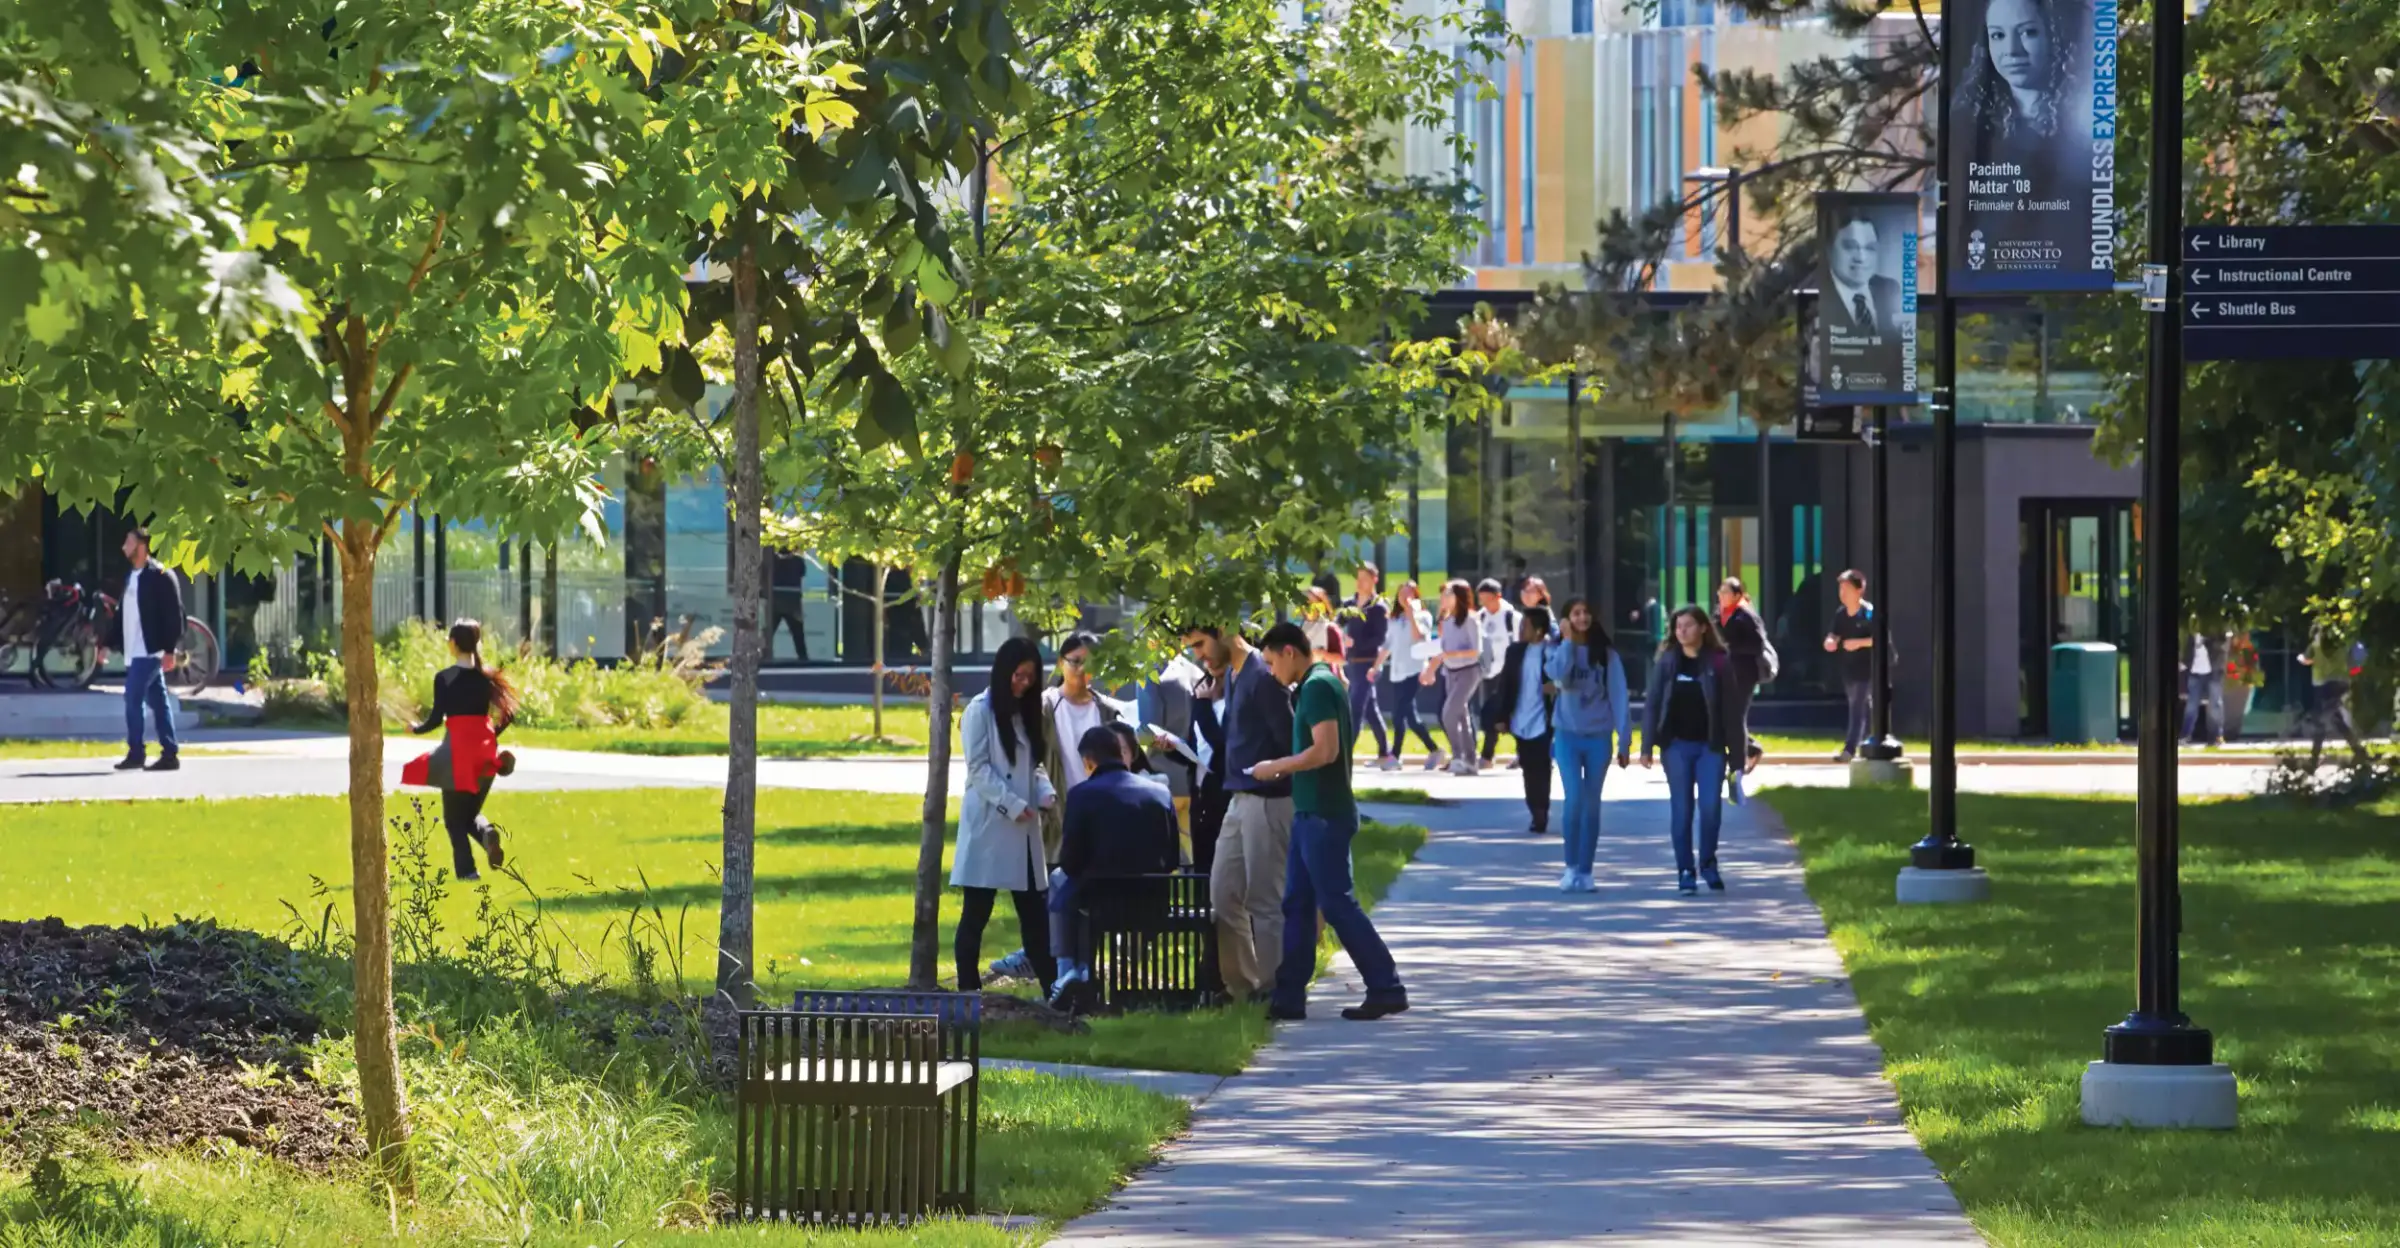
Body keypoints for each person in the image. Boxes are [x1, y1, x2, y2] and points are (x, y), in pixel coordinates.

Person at [1250, 622, 1408, 1022]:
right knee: (1298, 904)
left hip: (1324, 814)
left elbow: (1325, 751)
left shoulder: (1318, 686)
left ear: (1289, 652)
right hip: (1311, 813)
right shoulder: (1313, 684)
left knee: (1337, 905)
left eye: (1271, 662)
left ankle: (1386, 987)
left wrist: (1276, 767)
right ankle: (1288, 998)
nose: (1271, 672)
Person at [1183, 623, 1294, 1000]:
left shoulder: (1263, 676)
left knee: (1264, 899)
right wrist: (1202, 705)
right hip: (1237, 798)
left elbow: (1292, 740)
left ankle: (1278, 989)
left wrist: (1275, 773)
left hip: (1269, 799)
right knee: (1223, 895)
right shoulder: (1232, 674)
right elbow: (1226, 742)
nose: (1198, 654)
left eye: (1200, 644)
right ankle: (1246, 987)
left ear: (1225, 630)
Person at [1046, 725, 1181, 1013]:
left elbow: (1070, 861)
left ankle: (1069, 972)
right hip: (1153, 902)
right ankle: (1075, 972)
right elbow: (1172, 860)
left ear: (1088, 761)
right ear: (1121, 754)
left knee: (1060, 881)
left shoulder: (1082, 795)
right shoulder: (1159, 793)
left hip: (1101, 904)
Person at [953, 637, 1059, 995]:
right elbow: (978, 769)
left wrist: (1044, 792)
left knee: (1035, 917)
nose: (1023, 683)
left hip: (1025, 830)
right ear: (1003, 671)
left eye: (1030, 678)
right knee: (976, 914)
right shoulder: (979, 711)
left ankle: (1053, 990)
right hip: (990, 827)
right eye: (1018, 675)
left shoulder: (1028, 713)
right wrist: (1012, 804)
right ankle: (968, 994)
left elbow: (1034, 766)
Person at [402, 619, 518, 881]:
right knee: (468, 816)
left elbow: (434, 720)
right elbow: (508, 714)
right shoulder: (487, 677)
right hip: (486, 753)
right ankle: (487, 833)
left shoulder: (444, 678)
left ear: (454, 644)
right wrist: (490, 734)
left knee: (454, 820)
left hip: (458, 754)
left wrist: (414, 729)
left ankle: (467, 872)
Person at [1640, 607, 1740, 897]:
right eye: (1677, 626)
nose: (1681, 631)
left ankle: (1708, 862)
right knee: (1682, 810)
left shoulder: (1719, 663)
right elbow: (1653, 704)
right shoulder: (1668, 662)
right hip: (1677, 747)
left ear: (1703, 628)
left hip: (1711, 747)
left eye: (1688, 625)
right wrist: (1647, 746)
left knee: (1710, 809)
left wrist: (1737, 757)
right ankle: (1685, 869)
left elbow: (1733, 713)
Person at [1546, 597, 1631, 894]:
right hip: (1567, 735)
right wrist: (1568, 642)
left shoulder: (1607, 655)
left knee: (1592, 802)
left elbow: (1619, 697)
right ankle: (1570, 868)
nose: (1582, 617)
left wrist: (1625, 739)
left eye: (1586, 613)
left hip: (1598, 737)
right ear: (1566, 619)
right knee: (1573, 801)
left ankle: (1586, 870)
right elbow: (1557, 675)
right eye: (1576, 613)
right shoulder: (1558, 649)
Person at [1040, 631, 1129, 859]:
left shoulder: (1106, 709)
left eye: (1090, 663)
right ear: (1061, 663)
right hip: (1058, 813)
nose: (1081, 669)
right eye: (1075, 661)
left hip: (1102, 812)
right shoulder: (1046, 706)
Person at [112, 527, 186, 773]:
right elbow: (124, 615)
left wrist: (169, 649)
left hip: (151, 651)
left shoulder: (161, 575)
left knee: (132, 698)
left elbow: (174, 614)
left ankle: (136, 753)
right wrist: (106, 644)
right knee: (159, 701)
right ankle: (170, 753)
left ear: (141, 547)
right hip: (134, 652)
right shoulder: (132, 576)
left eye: (129, 542)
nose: (124, 546)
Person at [1493, 607, 1555, 835]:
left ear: (1539, 631)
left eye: (1525, 627)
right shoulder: (1515, 652)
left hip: (1544, 720)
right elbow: (1505, 686)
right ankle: (1534, 809)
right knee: (1528, 767)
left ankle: (1541, 812)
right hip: (1520, 718)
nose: (1521, 631)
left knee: (1542, 767)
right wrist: (1502, 716)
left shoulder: (1551, 651)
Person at [1716, 577, 1775, 782]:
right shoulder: (1719, 615)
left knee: (1736, 716)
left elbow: (1757, 645)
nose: (1721, 596)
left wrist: (1731, 649)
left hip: (1743, 673)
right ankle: (1751, 748)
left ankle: (1737, 765)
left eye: (1726, 592)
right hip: (1724, 673)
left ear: (1737, 595)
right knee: (1724, 716)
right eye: (1720, 592)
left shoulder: (1746, 616)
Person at [1380, 580, 1443, 770]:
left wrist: (1411, 613)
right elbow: (1387, 645)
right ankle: (1433, 749)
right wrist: (1376, 666)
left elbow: (1419, 637)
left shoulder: (1423, 615)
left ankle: (1395, 756)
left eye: (1409, 594)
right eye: (1401, 594)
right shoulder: (1394, 619)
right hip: (1397, 671)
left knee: (1400, 714)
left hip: (1414, 670)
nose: (1404, 597)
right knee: (1409, 716)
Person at [1429, 580, 1484, 776]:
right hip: (1450, 672)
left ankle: (1458, 756)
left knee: (1448, 714)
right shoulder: (1445, 621)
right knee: (1462, 717)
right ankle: (1470, 761)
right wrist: (1430, 670)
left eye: (1448, 594)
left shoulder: (1471, 619)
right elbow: (1442, 650)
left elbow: (1476, 651)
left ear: (1459, 597)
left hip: (1469, 671)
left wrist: (1450, 654)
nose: (1443, 598)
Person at [1823, 570, 1878, 762]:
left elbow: (1879, 639)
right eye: (1841, 588)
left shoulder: (1869, 613)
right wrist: (1830, 641)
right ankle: (1872, 740)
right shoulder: (1841, 613)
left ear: (1859, 590)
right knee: (1862, 707)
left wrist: (1858, 643)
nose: (1842, 592)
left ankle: (1849, 749)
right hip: (1849, 669)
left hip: (1868, 668)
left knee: (1857, 706)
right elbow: (1834, 633)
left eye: (1846, 588)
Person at [2298, 625, 2371, 769]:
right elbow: (2354, 662)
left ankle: (2313, 760)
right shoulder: (2343, 645)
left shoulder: (2315, 645)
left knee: (2320, 722)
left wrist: (2300, 657)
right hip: (2341, 684)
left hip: (2322, 687)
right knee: (2336, 720)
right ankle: (2359, 751)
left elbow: (2305, 660)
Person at [1823, 211, 1902, 340]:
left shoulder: (1887, 289)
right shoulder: (1820, 292)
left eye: (1870, 248)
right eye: (1850, 247)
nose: (1861, 258)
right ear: (1829, 249)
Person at [1344, 562, 1392, 767]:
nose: (1360, 582)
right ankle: (1385, 752)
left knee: (1355, 708)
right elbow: (1337, 625)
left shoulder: (1378, 607)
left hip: (1368, 663)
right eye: (1358, 577)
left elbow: (1380, 639)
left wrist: (1356, 643)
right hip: (1351, 664)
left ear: (1374, 579)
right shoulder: (1348, 605)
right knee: (1370, 709)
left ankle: (1345, 754)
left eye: (1365, 578)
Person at [1473, 578, 1520, 769]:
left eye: (1488, 599)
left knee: (1510, 714)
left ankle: (1521, 753)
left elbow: (1520, 645)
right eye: (1481, 599)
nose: (1485, 603)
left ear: (1498, 596)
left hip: (1510, 673)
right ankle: (1487, 757)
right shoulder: (1481, 617)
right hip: (1489, 674)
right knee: (1490, 715)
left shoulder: (1512, 617)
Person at [2180, 628, 2230, 748]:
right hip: (2195, 672)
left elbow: (2222, 649)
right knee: (2191, 705)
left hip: (2213, 672)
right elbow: (2188, 650)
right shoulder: (2191, 634)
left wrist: (2207, 641)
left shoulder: (2215, 632)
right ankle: (2185, 735)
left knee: (2215, 705)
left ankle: (2217, 736)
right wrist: (2184, 663)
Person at [767, 550, 812, 662]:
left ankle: (761, 656)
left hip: (776, 600)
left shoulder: (771, 560)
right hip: (792, 601)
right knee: (798, 634)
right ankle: (803, 658)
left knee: (768, 632)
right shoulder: (797, 561)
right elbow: (802, 572)